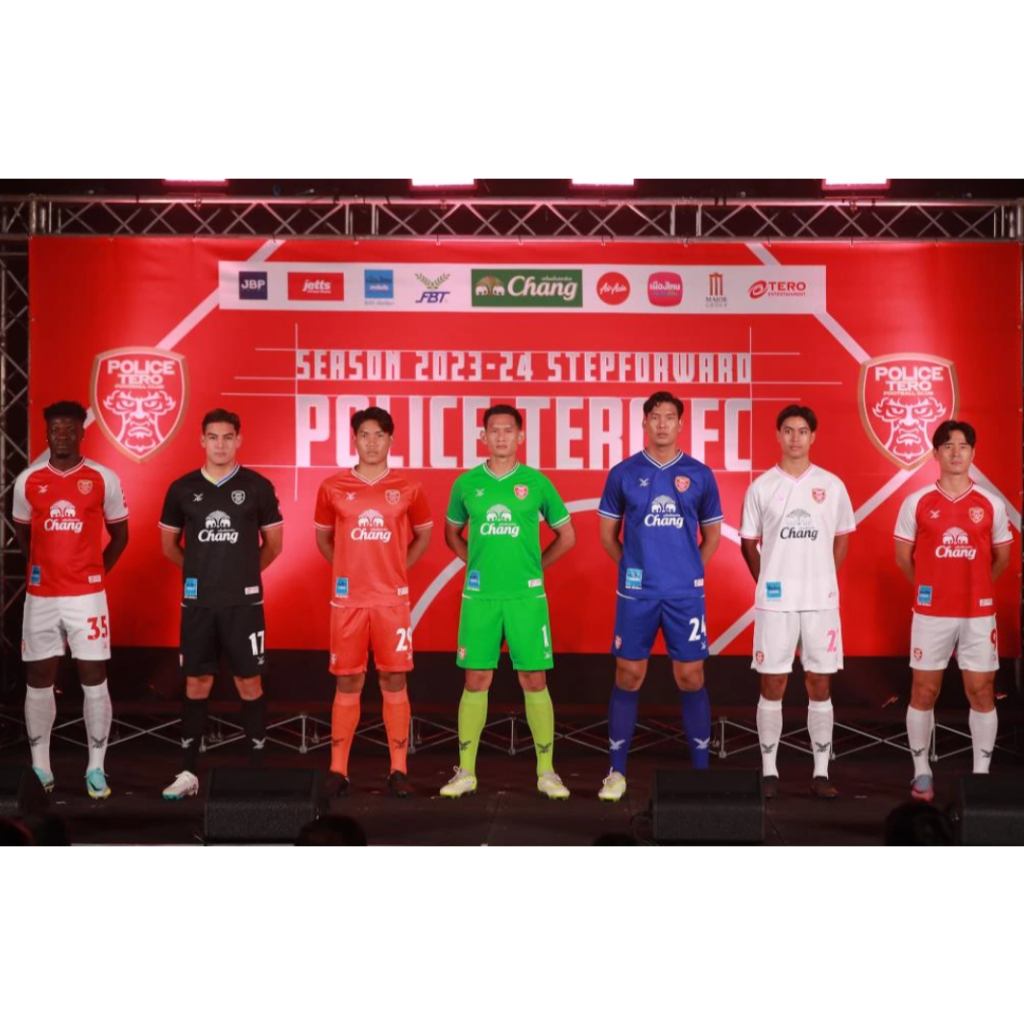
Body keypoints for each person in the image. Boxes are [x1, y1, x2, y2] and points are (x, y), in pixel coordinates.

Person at [440, 404, 575, 799]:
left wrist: (535, 567)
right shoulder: (466, 484)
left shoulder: (536, 483)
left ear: (520, 436)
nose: (501, 437)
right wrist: (475, 564)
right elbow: (451, 533)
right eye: (494, 431)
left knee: (534, 680)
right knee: (475, 680)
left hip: (525, 597)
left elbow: (567, 537)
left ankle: (547, 773)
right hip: (480, 597)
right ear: (483, 437)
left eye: (508, 430)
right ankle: (465, 772)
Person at [596, 391, 723, 802]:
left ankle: (701, 775)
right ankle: (616, 773)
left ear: (681, 424)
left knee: (691, 676)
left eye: (670, 417)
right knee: (628, 674)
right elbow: (607, 535)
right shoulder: (623, 473)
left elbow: (713, 535)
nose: (662, 423)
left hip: (684, 595)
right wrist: (634, 569)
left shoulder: (699, 474)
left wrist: (688, 570)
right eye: (655, 417)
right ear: (645, 423)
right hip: (637, 594)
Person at [158, 409, 283, 799]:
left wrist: (242, 575)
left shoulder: (257, 486)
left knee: (249, 681)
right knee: (197, 682)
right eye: (213, 437)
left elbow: (273, 546)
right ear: (202, 441)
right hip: (198, 604)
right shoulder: (182, 488)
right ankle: (187, 773)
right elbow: (170, 547)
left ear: (238, 440)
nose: (220, 445)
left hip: (244, 605)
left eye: (228, 437)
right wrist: (201, 574)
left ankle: (256, 772)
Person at [12, 400, 129, 799]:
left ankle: (96, 769)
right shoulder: (28, 481)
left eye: (69, 429)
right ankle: (40, 768)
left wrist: (95, 573)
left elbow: (121, 535)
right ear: (47, 434)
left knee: (94, 677)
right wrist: (40, 567)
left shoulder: (102, 478)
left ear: (82, 432)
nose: (62, 435)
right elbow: (22, 532)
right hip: (41, 597)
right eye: (55, 429)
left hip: (87, 598)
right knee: (39, 678)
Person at [313, 406, 432, 798]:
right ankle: (338, 770)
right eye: (364, 435)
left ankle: (398, 770)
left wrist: (396, 567)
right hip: (347, 602)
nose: (372, 442)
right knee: (348, 680)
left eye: (379, 435)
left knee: (393, 679)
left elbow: (424, 534)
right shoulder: (332, 487)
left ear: (391, 440)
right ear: (355, 440)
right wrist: (347, 570)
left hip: (390, 602)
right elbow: (324, 538)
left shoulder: (409, 488)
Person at [739, 405, 855, 799]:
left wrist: (824, 575)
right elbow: (748, 543)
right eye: (788, 430)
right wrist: (768, 581)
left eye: (802, 431)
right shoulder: (761, 486)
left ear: (812, 436)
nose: (795, 438)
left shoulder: (831, 485)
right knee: (773, 681)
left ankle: (821, 772)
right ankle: (769, 772)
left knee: (819, 682)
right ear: (778, 435)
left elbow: (842, 536)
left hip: (820, 602)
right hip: (776, 604)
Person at [893, 419, 1012, 802]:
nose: (956, 452)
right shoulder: (917, 502)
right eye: (948, 446)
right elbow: (904, 558)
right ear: (936, 454)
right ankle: (922, 772)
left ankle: (980, 777)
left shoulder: (991, 504)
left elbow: (1002, 558)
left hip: (978, 614)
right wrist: (933, 587)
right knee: (924, 690)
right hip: (931, 614)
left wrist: (974, 587)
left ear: (973, 453)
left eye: (963, 446)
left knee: (982, 691)